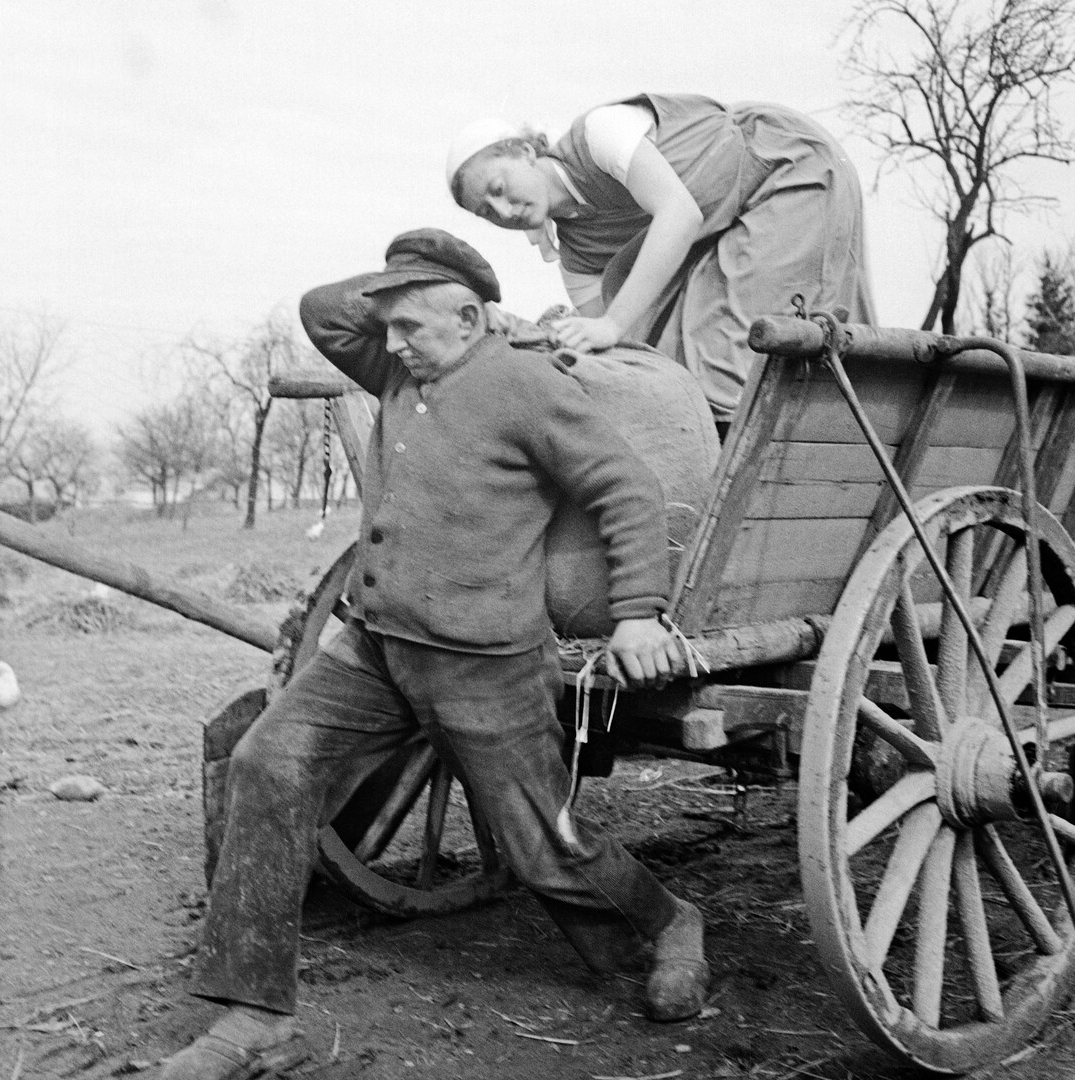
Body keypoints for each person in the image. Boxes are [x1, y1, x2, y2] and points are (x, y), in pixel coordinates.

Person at [158, 229, 709, 1079]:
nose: (390, 342)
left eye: (410, 325)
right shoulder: (396, 369)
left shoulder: (524, 383)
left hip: (484, 665)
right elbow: (322, 311)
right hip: (376, 649)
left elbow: (626, 488)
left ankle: (669, 922)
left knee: (544, 848)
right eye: (387, 327)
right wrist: (405, 278)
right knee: (264, 763)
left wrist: (639, 615)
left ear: (469, 318)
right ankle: (254, 1017)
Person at [448, 94, 876, 429]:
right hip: (732, 227)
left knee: (720, 367)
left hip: (783, 168)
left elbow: (679, 214)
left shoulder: (599, 134)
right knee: (667, 361)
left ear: (525, 152)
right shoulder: (576, 259)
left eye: (498, 188)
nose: (502, 211)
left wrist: (611, 324)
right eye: (487, 212)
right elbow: (616, 350)